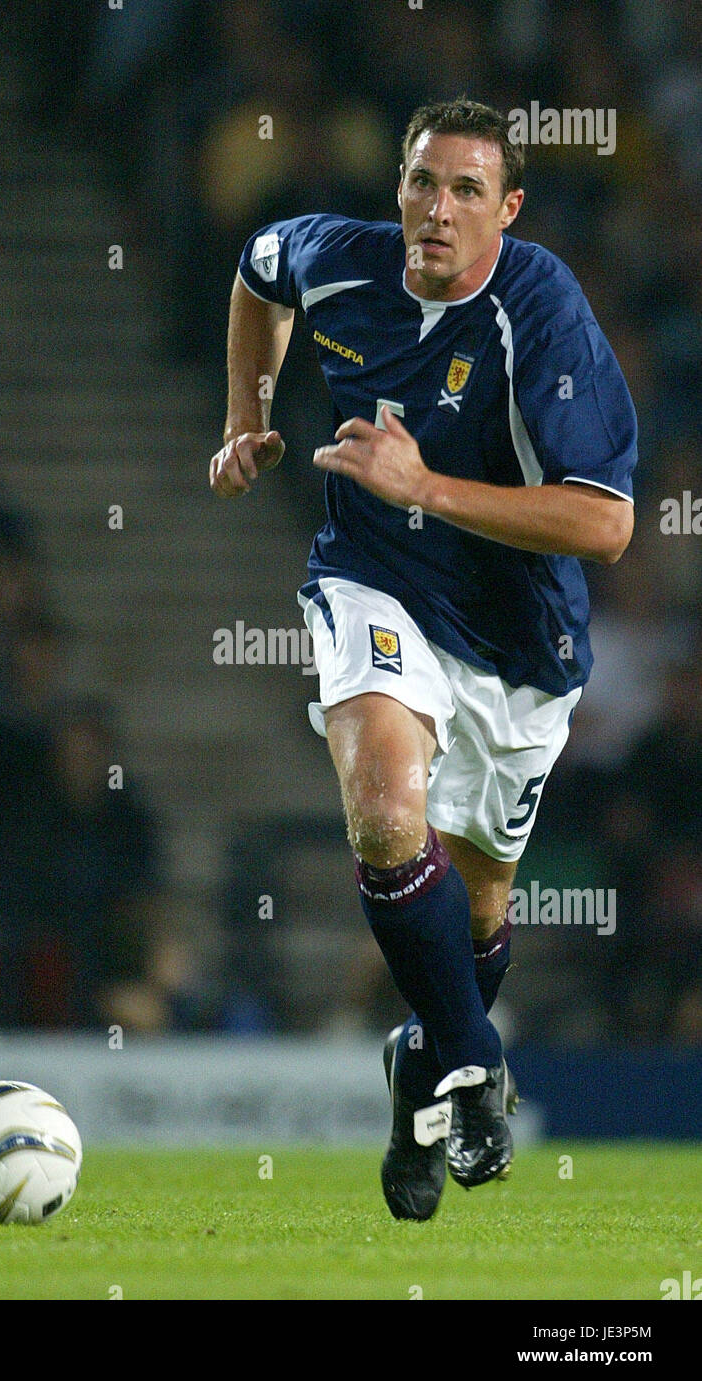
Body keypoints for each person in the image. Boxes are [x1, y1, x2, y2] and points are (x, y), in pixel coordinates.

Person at [209, 98, 637, 1221]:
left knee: (481, 911)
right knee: (386, 809)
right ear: (394, 185)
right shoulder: (336, 259)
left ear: (507, 209)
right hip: (372, 581)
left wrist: (425, 486)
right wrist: (243, 414)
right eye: (417, 181)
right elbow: (257, 279)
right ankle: (472, 1061)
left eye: (460, 189)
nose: (432, 209)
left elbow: (602, 523)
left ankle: (423, 1069)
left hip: (517, 638)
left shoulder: (538, 309)